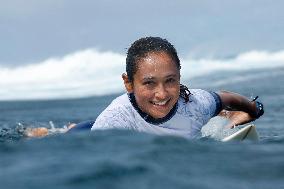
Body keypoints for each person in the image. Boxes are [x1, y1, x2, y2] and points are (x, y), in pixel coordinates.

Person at [25, 36, 263, 139]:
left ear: (180, 77)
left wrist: (254, 109)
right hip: (92, 133)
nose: (161, 93)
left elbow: (226, 96)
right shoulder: (114, 121)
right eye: (149, 83)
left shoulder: (196, 104)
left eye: (170, 80)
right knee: (71, 134)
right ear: (128, 83)